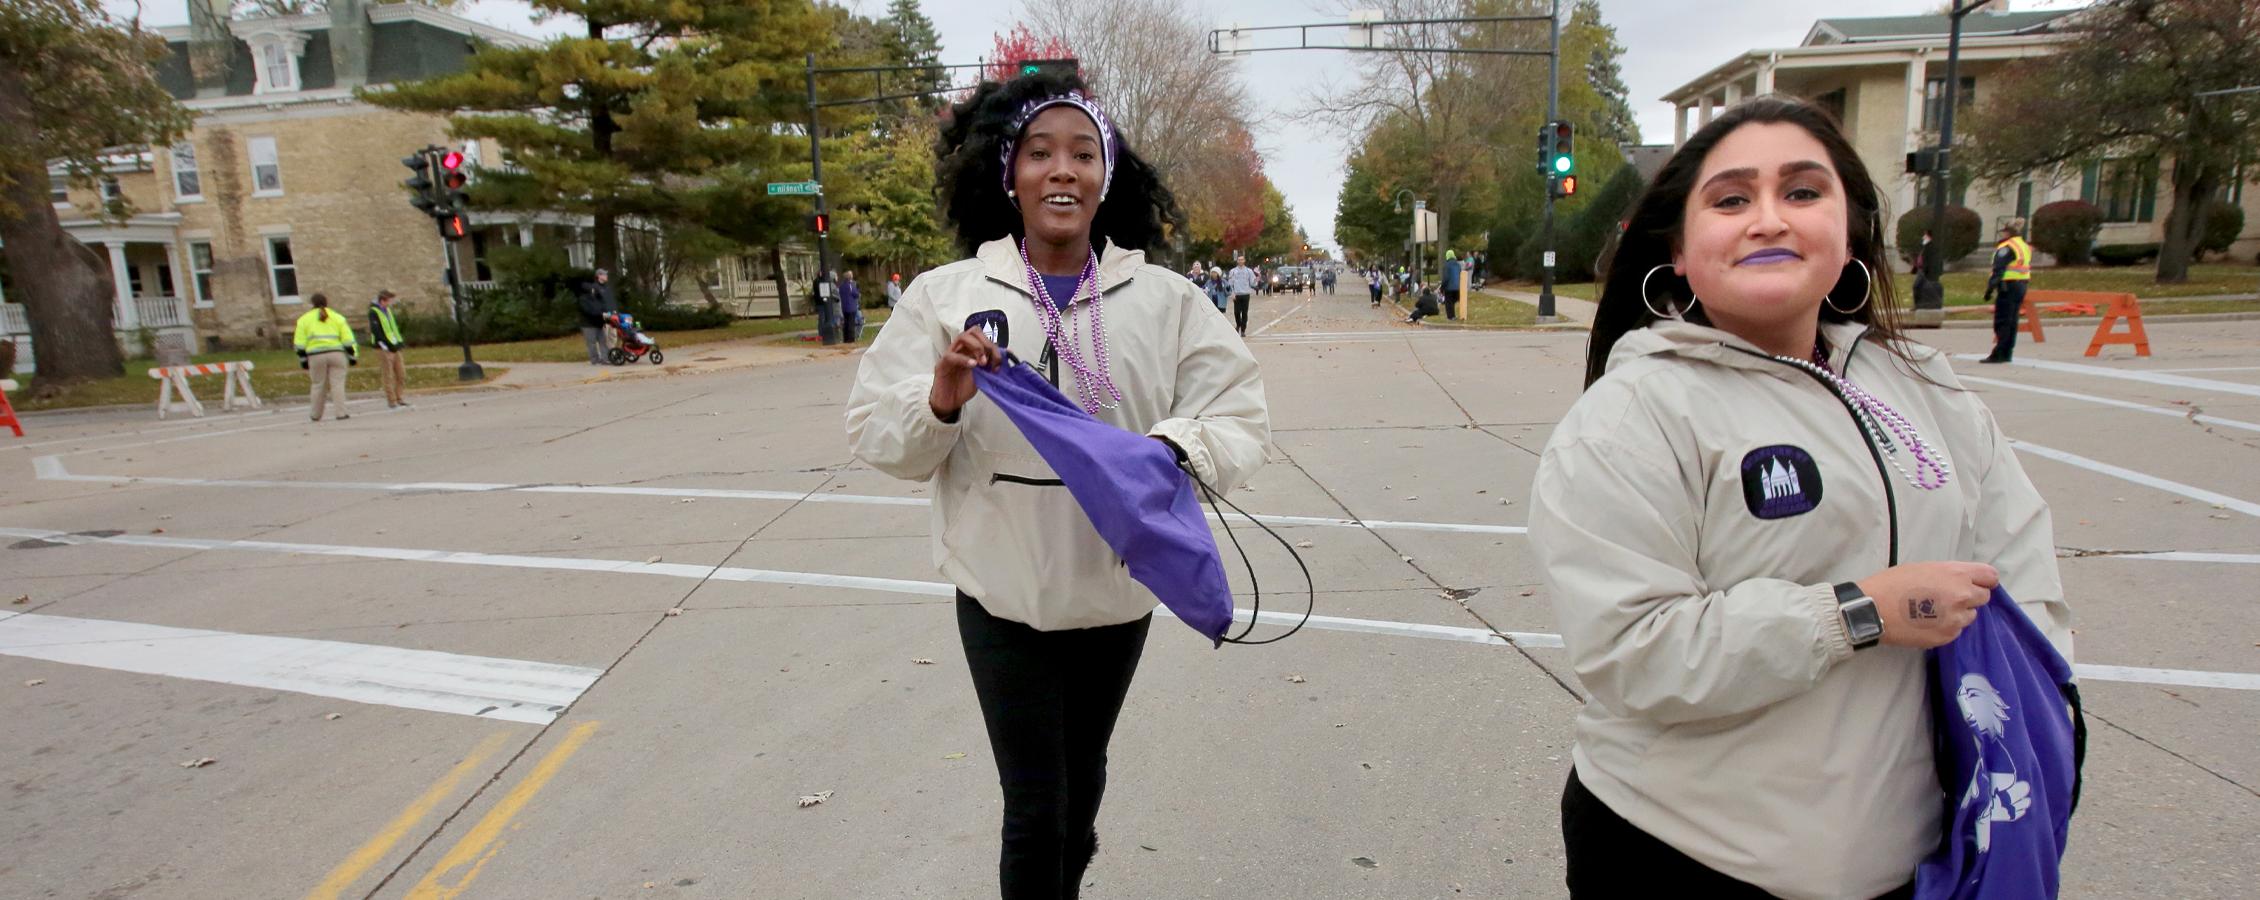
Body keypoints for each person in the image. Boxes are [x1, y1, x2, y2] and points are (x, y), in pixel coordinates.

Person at [1527, 96, 2073, 899]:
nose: (1769, 220)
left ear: (1848, 229)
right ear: (1677, 250)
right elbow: (1635, 653)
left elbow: (2025, 575)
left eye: (1803, 192)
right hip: (1684, 858)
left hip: (1922, 860)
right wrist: (1856, 613)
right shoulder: (1629, 414)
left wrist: (2038, 704)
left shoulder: (1923, 385)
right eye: (1733, 199)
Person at [845, 73, 1268, 900]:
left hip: (1115, 594)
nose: (1062, 170)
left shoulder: (1169, 300)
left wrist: (1170, 451)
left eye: (1083, 153)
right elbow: (875, 433)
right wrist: (941, 400)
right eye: (1040, 153)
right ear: (1010, 177)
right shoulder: (947, 295)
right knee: (1035, 806)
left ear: (1106, 178)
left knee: (1082, 782)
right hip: (1001, 594)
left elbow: (1238, 413)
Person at [293, 293, 358, 422]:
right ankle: (341, 413)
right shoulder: (337, 317)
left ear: (312, 304)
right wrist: (352, 356)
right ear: (327, 302)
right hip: (336, 354)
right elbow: (348, 340)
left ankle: (316, 414)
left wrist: (303, 360)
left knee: (318, 385)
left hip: (315, 356)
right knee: (337, 384)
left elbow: (299, 344)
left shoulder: (304, 319)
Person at [1981, 219, 2032, 364]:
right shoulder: (2023, 245)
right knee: (2012, 320)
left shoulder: (2007, 247)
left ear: (2008, 232)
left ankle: (1999, 354)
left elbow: (1999, 269)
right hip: (2021, 285)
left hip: (2008, 286)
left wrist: (1990, 289)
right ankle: (2007, 352)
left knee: (2002, 320)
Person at [366, 289, 410, 410]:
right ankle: (392, 400)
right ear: (382, 300)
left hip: (394, 345)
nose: (390, 303)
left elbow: (393, 328)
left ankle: (399, 397)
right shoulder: (373, 312)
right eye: (389, 300)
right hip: (383, 347)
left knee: (401, 374)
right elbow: (377, 331)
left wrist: (399, 342)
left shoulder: (388, 311)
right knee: (388, 374)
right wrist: (386, 344)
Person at [576, 269, 616, 365]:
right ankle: (595, 359)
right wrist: (601, 313)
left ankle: (605, 358)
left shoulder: (597, 298)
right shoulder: (583, 299)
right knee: (592, 343)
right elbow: (589, 311)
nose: (594, 291)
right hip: (588, 324)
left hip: (599, 323)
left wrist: (607, 312)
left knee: (603, 341)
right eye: (592, 290)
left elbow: (603, 305)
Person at [1225, 252, 1257, 335]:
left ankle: (1243, 329)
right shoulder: (1233, 271)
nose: (1240, 261)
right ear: (1237, 261)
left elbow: (1253, 283)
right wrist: (1232, 293)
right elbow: (1230, 283)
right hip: (1237, 294)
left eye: (1242, 259)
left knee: (1244, 312)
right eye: (1239, 260)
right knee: (1237, 312)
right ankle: (1238, 324)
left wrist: (1257, 280)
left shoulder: (1249, 271)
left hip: (1246, 294)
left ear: (1244, 261)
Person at [841, 270, 865, 343]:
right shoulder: (851, 285)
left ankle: (845, 338)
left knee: (846, 323)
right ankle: (851, 339)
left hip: (844, 306)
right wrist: (858, 294)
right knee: (851, 323)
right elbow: (855, 294)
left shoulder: (842, 285)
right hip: (851, 306)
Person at [1441, 250, 1463, 320]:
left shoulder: (1446, 265)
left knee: (1448, 302)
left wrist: (1442, 287)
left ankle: (1450, 316)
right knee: (1453, 302)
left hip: (1449, 287)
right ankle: (1453, 316)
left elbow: (1446, 278)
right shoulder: (1458, 265)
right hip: (1457, 287)